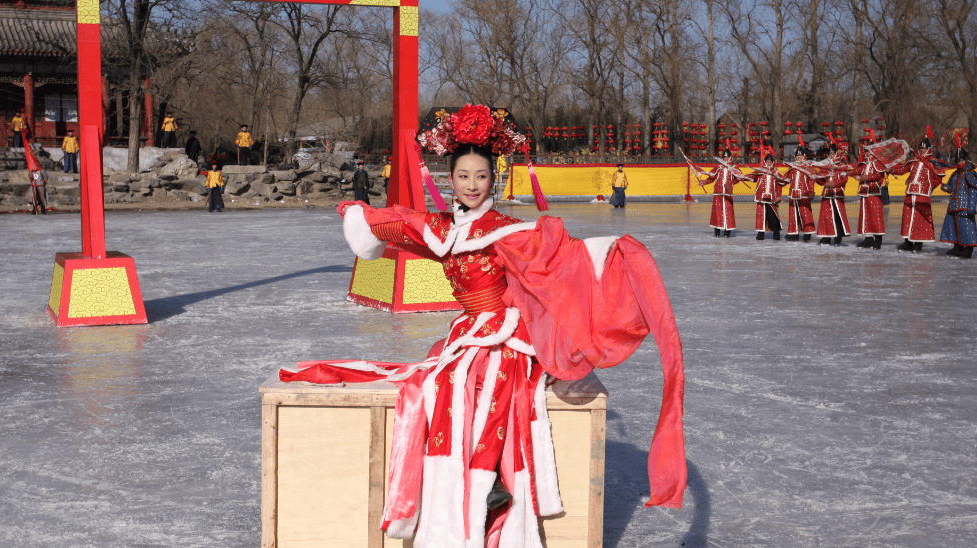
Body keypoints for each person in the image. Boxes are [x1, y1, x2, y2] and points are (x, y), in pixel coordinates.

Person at [281, 104, 686, 548]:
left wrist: (610, 253)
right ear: (449, 179)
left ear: (493, 179)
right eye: (463, 176)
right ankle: (456, 488)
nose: (472, 185)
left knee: (481, 378)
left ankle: (492, 480)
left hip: (509, 333)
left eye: (481, 176)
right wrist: (356, 213)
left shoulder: (510, 229)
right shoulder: (443, 228)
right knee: (438, 380)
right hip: (470, 329)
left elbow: (560, 259)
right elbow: (400, 223)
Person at [889, 135, 946, 253]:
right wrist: (893, 170)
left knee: (920, 219)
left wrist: (929, 187)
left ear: (929, 149)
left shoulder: (932, 162)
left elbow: (938, 178)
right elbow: (902, 170)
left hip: (923, 194)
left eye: (924, 149)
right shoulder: (914, 160)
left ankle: (918, 243)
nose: (922, 150)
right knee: (908, 217)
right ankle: (908, 242)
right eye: (920, 148)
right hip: (910, 192)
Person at [938, 147, 977, 258]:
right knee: (953, 227)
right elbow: (951, 187)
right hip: (954, 205)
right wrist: (944, 186)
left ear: (966, 160)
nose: (960, 162)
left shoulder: (970, 174)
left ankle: (968, 249)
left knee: (967, 228)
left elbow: (973, 192)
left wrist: (971, 207)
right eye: (958, 161)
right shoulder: (955, 174)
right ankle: (957, 248)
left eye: (962, 160)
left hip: (965, 207)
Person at [699, 148, 747, 237]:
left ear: (731, 157)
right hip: (718, 191)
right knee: (717, 212)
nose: (725, 158)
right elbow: (712, 178)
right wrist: (704, 182)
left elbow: (739, 178)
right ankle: (717, 231)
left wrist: (733, 183)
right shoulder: (718, 167)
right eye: (724, 157)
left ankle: (727, 231)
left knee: (728, 212)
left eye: (727, 157)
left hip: (727, 192)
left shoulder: (734, 167)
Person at [851, 148, 887, 249]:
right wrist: (845, 172)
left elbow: (877, 176)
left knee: (876, 216)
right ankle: (868, 239)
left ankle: (878, 240)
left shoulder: (878, 163)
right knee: (865, 216)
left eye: (869, 151)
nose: (866, 153)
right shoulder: (864, 164)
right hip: (864, 192)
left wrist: (862, 178)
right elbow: (855, 171)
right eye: (866, 151)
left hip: (874, 192)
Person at [815, 146, 851, 246]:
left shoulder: (842, 165)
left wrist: (834, 185)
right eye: (829, 154)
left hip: (837, 194)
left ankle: (838, 237)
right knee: (826, 217)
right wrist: (815, 178)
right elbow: (822, 181)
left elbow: (844, 179)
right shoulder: (825, 166)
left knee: (837, 216)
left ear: (836, 153)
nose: (831, 155)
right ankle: (826, 237)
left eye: (833, 153)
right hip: (827, 194)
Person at [750, 146, 787, 240]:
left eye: (770, 161)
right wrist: (741, 176)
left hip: (771, 198)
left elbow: (779, 186)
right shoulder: (760, 172)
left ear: (773, 162)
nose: (769, 163)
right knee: (760, 216)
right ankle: (760, 234)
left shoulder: (775, 173)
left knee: (772, 215)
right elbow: (751, 177)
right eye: (767, 161)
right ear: (765, 162)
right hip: (760, 197)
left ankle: (776, 232)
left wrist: (779, 196)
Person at [784, 145, 817, 242]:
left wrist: (811, 191)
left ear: (805, 156)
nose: (799, 157)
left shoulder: (808, 168)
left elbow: (811, 181)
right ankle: (793, 233)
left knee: (805, 213)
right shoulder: (792, 168)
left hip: (804, 193)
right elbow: (787, 179)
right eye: (797, 156)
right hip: (793, 194)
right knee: (793, 214)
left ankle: (808, 233)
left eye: (801, 156)